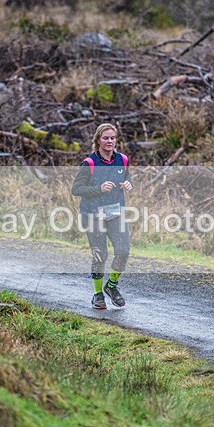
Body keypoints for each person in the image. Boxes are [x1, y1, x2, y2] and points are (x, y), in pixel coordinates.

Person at [71, 123, 133, 309]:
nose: (110, 141)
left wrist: (128, 184)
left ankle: (111, 286)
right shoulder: (89, 163)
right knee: (101, 255)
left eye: (112, 138)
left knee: (123, 251)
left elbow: (127, 178)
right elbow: (76, 189)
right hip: (92, 215)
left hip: (115, 213)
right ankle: (98, 295)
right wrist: (98, 188)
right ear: (98, 140)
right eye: (105, 138)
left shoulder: (122, 159)